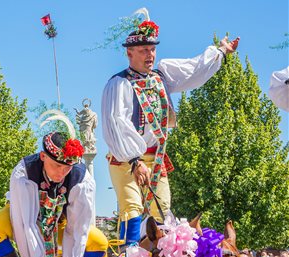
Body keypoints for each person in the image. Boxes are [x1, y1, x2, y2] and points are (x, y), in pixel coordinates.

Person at [101, 18, 239, 245]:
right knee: (132, 208)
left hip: (156, 158)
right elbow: (117, 123)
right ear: (129, 54)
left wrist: (220, 52)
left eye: (153, 49)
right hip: (126, 159)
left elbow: (193, 70)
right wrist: (135, 160)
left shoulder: (161, 77)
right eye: (144, 50)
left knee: (163, 211)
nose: (150, 55)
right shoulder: (119, 84)